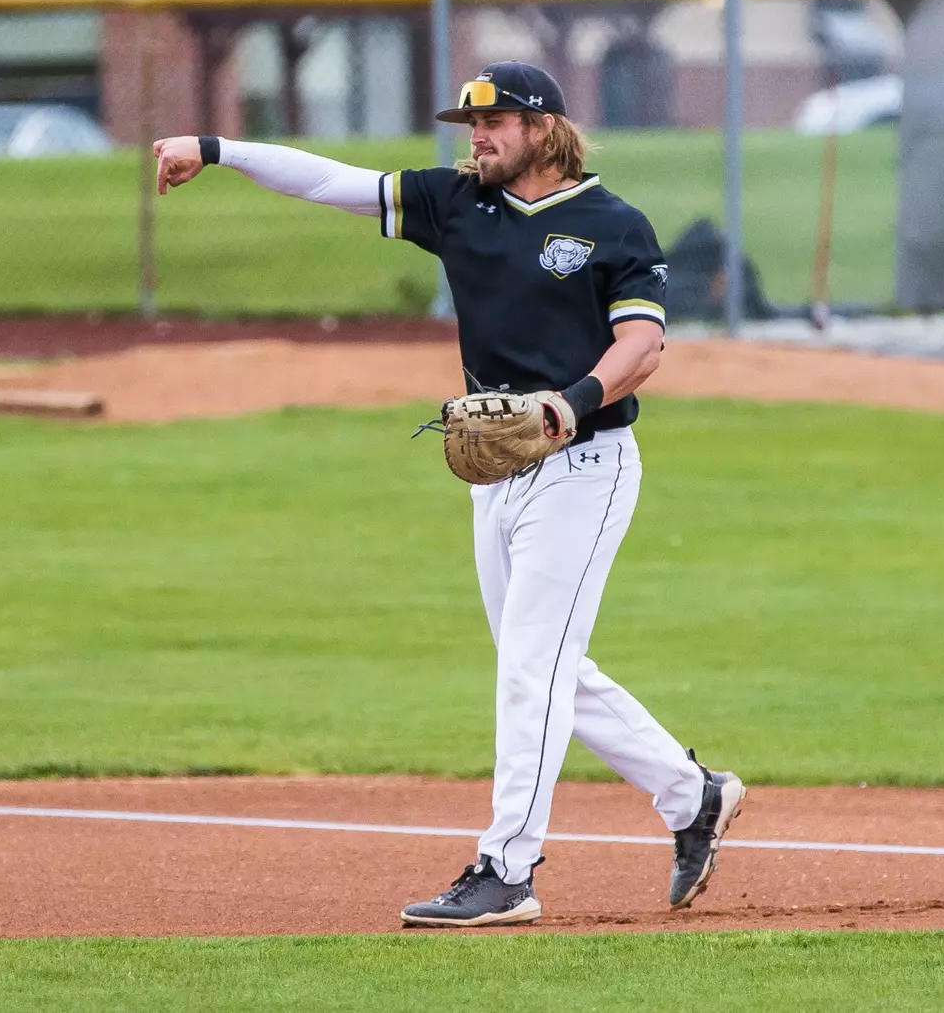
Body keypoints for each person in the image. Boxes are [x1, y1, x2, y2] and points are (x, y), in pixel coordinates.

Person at [154, 61, 745, 928]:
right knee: (541, 668)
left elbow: (643, 345)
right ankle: (690, 795)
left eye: (493, 123)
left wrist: (568, 404)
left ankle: (508, 868)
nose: (476, 139)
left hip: (585, 470)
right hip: (495, 479)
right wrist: (215, 148)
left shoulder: (614, 225)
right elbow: (328, 180)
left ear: (543, 129)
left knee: (531, 669)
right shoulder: (456, 202)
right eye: (470, 126)